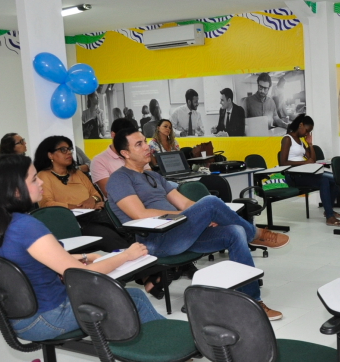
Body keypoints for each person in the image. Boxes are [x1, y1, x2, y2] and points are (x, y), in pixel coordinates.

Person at [107, 128, 288, 320]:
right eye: (139, 144)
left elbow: (185, 203)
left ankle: (252, 302)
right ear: (125, 153)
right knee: (210, 202)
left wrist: (201, 215)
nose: (147, 147)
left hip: (181, 232)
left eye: (145, 141)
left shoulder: (153, 176)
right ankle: (256, 234)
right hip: (156, 241)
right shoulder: (119, 179)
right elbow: (140, 214)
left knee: (235, 231)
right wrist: (192, 214)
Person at [0, 154, 164, 342]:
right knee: (133, 297)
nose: (41, 183)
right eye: (34, 179)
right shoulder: (26, 226)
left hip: (15, 316)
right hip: (46, 318)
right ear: (15, 191)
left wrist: (84, 256)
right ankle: (164, 350)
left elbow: (27, 261)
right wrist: (126, 255)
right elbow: (80, 275)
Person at [33, 135, 132, 252]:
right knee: (111, 239)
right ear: (50, 155)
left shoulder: (77, 173)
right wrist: (77, 207)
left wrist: (91, 200)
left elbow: (96, 194)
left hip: (96, 215)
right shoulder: (43, 176)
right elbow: (46, 204)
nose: (69, 152)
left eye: (70, 149)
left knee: (128, 230)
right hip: (73, 223)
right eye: (63, 150)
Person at [279, 114, 340, 227]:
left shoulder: (300, 142)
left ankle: (328, 210)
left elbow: (313, 159)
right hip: (293, 176)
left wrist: (310, 144)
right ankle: (330, 217)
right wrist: (304, 162)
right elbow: (283, 162)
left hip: (304, 173)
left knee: (335, 179)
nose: (306, 133)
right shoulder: (287, 139)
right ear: (300, 125)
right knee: (324, 181)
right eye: (307, 130)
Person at [91, 118, 149, 196]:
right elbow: (111, 192)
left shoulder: (139, 153)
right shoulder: (99, 161)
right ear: (113, 135)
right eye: (124, 137)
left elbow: (152, 182)